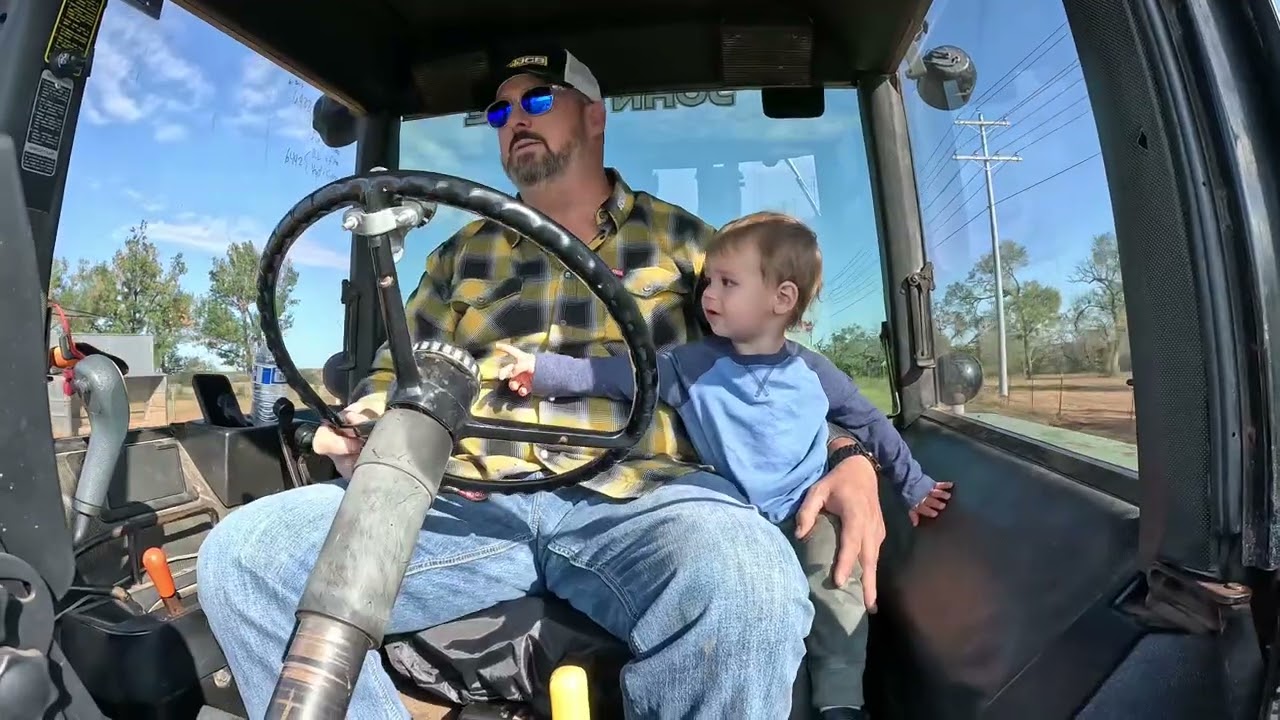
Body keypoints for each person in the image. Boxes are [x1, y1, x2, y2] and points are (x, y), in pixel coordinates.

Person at [198, 47, 890, 719]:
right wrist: (369, 419)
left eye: (535, 99)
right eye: (499, 113)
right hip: (469, 500)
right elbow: (395, 372)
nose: (514, 119)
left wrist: (848, 455)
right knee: (246, 557)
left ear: (594, 118)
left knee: (746, 580)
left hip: (643, 502)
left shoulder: (691, 247)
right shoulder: (461, 256)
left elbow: (771, 373)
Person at [494, 211, 952, 720]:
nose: (708, 294)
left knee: (837, 579)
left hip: (805, 507)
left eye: (728, 283)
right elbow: (614, 375)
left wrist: (914, 486)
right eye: (708, 281)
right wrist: (541, 371)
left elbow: (870, 426)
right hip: (729, 506)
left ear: (782, 299)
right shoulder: (689, 365)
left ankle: (841, 702)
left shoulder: (813, 371)